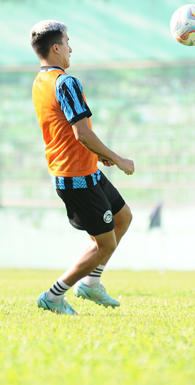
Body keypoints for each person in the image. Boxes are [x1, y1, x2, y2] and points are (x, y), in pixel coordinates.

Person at [30, 20, 135, 315]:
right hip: (76, 177)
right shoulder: (66, 82)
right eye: (67, 42)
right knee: (104, 244)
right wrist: (118, 159)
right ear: (56, 48)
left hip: (84, 169)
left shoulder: (41, 81)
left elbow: (66, 129)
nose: (70, 48)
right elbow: (82, 133)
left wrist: (96, 154)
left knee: (123, 218)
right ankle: (53, 296)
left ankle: (91, 283)